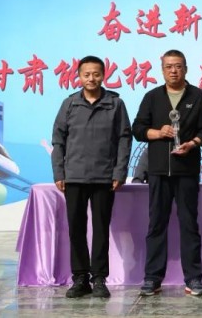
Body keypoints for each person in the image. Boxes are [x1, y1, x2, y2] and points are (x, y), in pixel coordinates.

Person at [132, 50, 202, 297]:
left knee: (189, 224)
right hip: (158, 171)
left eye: (178, 66)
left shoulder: (198, 97)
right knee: (156, 224)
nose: (173, 71)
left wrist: (193, 143)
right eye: (168, 66)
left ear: (186, 69)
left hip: (187, 171)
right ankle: (152, 278)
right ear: (162, 70)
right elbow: (138, 129)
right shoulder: (152, 97)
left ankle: (194, 278)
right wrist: (158, 133)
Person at [51, 55, 132, 299]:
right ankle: (80, 278)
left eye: (96, 74)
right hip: (74, 177)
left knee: (100, 229)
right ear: (78, 76)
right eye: (86, 74)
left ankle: (99, 279)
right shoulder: (69, 104)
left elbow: (124, 139)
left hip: (104, 177)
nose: (91, 78)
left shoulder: (115, 104)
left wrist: (119, 172)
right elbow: (58, 140)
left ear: (103, 75)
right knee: (76, 229)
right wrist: (59, 172)